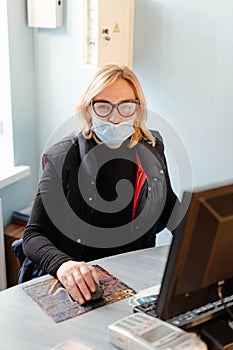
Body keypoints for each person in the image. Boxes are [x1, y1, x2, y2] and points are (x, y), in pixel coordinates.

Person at [22, 64, 177, 304]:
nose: (116, 118)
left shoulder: (151, 147)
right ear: (88, 110)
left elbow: (167, 208)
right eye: (103, 106)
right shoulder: (64, 158)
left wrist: (207, 243)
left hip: (132, 277)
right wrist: (64, 265)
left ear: (137, 109)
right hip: (81, 285)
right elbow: (33, 235)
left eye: (126, 106)